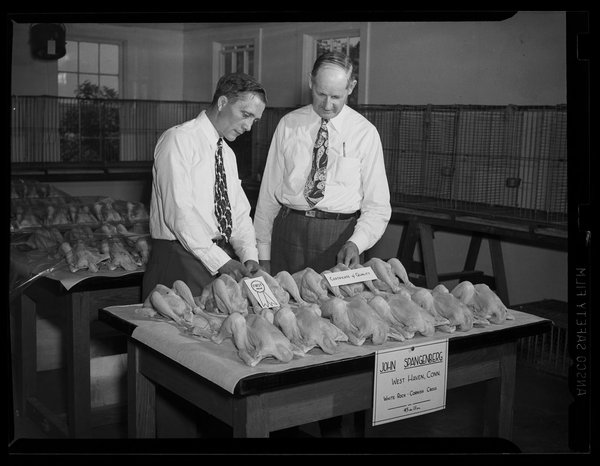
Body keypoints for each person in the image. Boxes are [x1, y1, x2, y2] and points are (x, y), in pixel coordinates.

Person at [254, 51, 391, 276]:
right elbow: (268, 196)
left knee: (336, 309)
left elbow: (378, 206)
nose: (327, 104)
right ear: (310, 82)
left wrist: (356, 243)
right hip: (288, 233)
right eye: (321, 94)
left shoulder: (365, 133)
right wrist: (263, 254)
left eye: (336, 97)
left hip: (339, 241)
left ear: (351, 87)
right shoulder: (288, 125)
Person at [142, 73, 267, 301]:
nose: (249, 127)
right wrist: (221, 261)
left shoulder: (226, 153)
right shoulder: (178, 140)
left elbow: (238, 213)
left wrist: (249, 255)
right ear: (222, 103)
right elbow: (178, 214)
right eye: (245, 114)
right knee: (174, 333)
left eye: (255, 120)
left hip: (215, 256)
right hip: (178, 256)